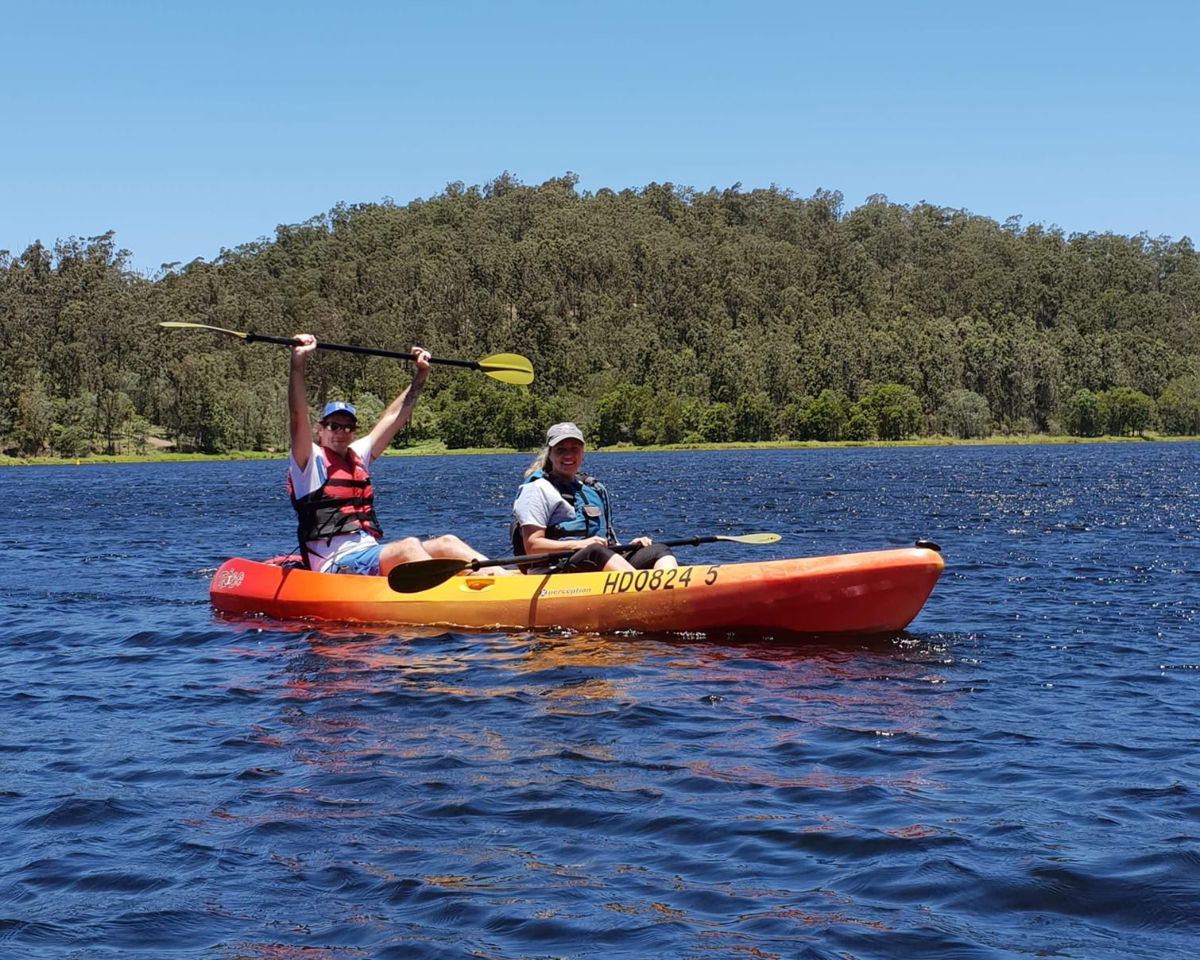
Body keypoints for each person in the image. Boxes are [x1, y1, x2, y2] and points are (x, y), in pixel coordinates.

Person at [287, 333, 503, 577]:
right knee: (408, 547)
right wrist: (298, 363)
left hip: (368, 552)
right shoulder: (308, 461)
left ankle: (505, 580)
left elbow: (394, 417)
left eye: (348, 427)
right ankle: (451, 599)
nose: (341, 432)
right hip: (335, 563)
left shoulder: (356, 455)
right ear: (320, 429)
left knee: (447, 543)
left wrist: (420, 374)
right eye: (334, 426)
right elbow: (297, 416)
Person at [512, 422, 678, 574]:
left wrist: (628, 548)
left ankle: (672, 593)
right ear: (549, 454)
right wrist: (577, 545)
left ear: (582, 453)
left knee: (658, 550)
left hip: (593, 561)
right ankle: (645, 593)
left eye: (574, 449)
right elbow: (533, 546)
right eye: (560, 449)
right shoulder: (537, 489)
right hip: (554, 572)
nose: (568, 455)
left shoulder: (592, 489)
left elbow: (606, 544)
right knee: (594, 552)